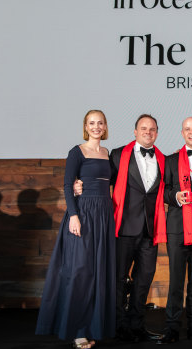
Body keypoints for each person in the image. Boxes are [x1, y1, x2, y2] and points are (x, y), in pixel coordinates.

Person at [76, 114, 167, 342]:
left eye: (152, 129)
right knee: (117, 280)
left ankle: (136, 326)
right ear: (135, 132)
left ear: (157, 133)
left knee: (144, 280)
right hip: (123, 228)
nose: (148, 132)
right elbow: (100, 179)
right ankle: (116, 326)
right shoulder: (117, 155)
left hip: (150, 230)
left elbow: (166, 190)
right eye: (143, 128)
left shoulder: (164, 159)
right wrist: (79, 185)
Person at [36, 110, 115, 349]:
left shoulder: (106, 153)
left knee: (98, 273)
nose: (96, 127)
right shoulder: (77, 152)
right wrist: (73, 215)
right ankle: (77, 330)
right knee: (80, 272)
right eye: (92, 123)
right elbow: (67, 184)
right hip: (83, 214)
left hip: (103, 215)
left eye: (100, 123)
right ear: (85, 126)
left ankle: (92, 327)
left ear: (105, 126)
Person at [156, 117, 192, 345]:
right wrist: (175, 197)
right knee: (176, 282)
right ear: (182, 133)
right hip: (177, 229)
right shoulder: (170, 160)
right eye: (187, 129)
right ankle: (171, 329)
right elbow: (162, 191)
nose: (191, 133)